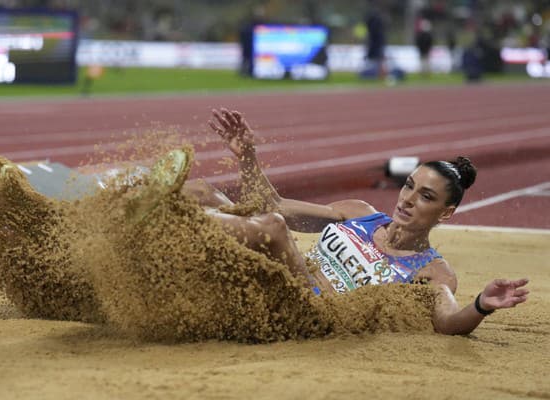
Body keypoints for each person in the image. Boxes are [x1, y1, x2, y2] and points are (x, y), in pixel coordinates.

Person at [190, 108, 528, 336]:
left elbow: (447, 321)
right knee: (206, 192)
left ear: (446, 212)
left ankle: (176, 226)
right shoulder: (358, 212)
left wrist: (482, 305)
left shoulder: (435, 273)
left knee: (273, 228)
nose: (408, 199)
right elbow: (272, 204)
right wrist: (248, 156)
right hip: (280, 281)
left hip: (312, 314)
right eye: (409, 186)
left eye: (426, 196)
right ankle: (140, 201)